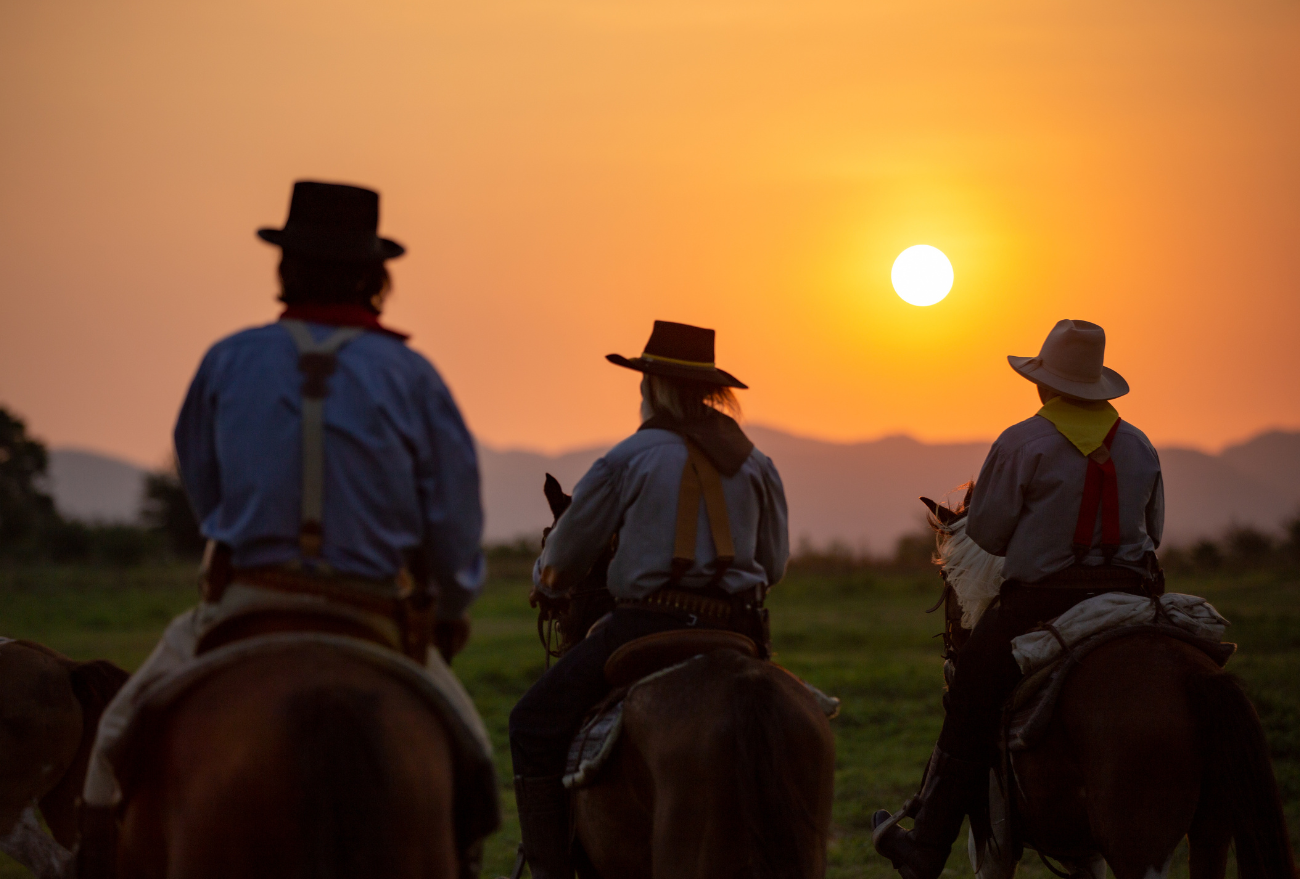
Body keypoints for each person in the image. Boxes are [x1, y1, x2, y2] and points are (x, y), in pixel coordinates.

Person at [78, 180, 491, 865]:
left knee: (110, 751)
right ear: (374, 274)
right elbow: (453, 516)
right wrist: (450, 601)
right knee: (474, 772)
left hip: (248, 597)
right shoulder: (413, 375)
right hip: (374, 610)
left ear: (285, 266)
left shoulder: (227, 359)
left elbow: (204, 486)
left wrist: (242, 530)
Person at [873, 319, 1164, 879]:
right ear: (1097, 383)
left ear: (1042, 384)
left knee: (968, 699)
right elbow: (1155, 528)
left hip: (1041, 602)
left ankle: (927, 844)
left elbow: (986, 535)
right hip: (1132, 597)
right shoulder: (1139, 444)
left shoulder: (1021, 441)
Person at [508, 320, 790, 879]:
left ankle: (548, 870)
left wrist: (547, 582)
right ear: (709, 390)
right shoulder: (758, 464)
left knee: (531, 724)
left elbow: (567, 555)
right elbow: (774, 564)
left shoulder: (628, 458)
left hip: (642, 625)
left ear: (653, 387)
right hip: (738, 628)